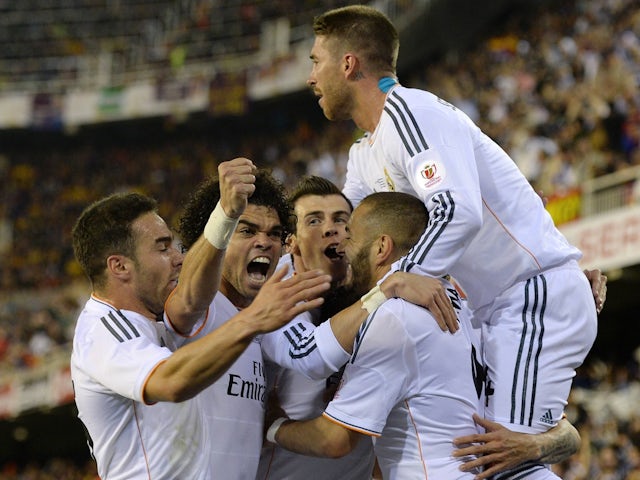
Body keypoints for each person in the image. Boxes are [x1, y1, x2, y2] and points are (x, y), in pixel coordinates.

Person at [307, 6, 598, 477]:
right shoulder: (364, 153)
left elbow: (455, 210)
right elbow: (354, 243)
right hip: (488, 312)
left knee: (500, 459)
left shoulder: (411, 111)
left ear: (348, 64)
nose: (310, 76)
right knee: (485, 457)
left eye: (316, 60)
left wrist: (398, 282)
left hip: (530, 298)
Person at [69, 162, 331, 479]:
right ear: (120, 267)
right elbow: (172, 381)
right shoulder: (103, 329)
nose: (178, 257)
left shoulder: (154, 324)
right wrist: (252, 320)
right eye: (163, 247)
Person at [266, 191, 486, 479]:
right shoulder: (455, 300)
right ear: (291, 242)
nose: (339, 236)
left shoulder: (394, 316)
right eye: (314, 220)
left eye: (347, 228)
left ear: (381, 246)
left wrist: (271, 425)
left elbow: (335, 439)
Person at [257, 175, 375, 479]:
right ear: (291, 242)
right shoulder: (277, 291)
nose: (330, 228)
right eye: (313, 221)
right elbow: (308, 355)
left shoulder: (365, 290)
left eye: (341, 220)